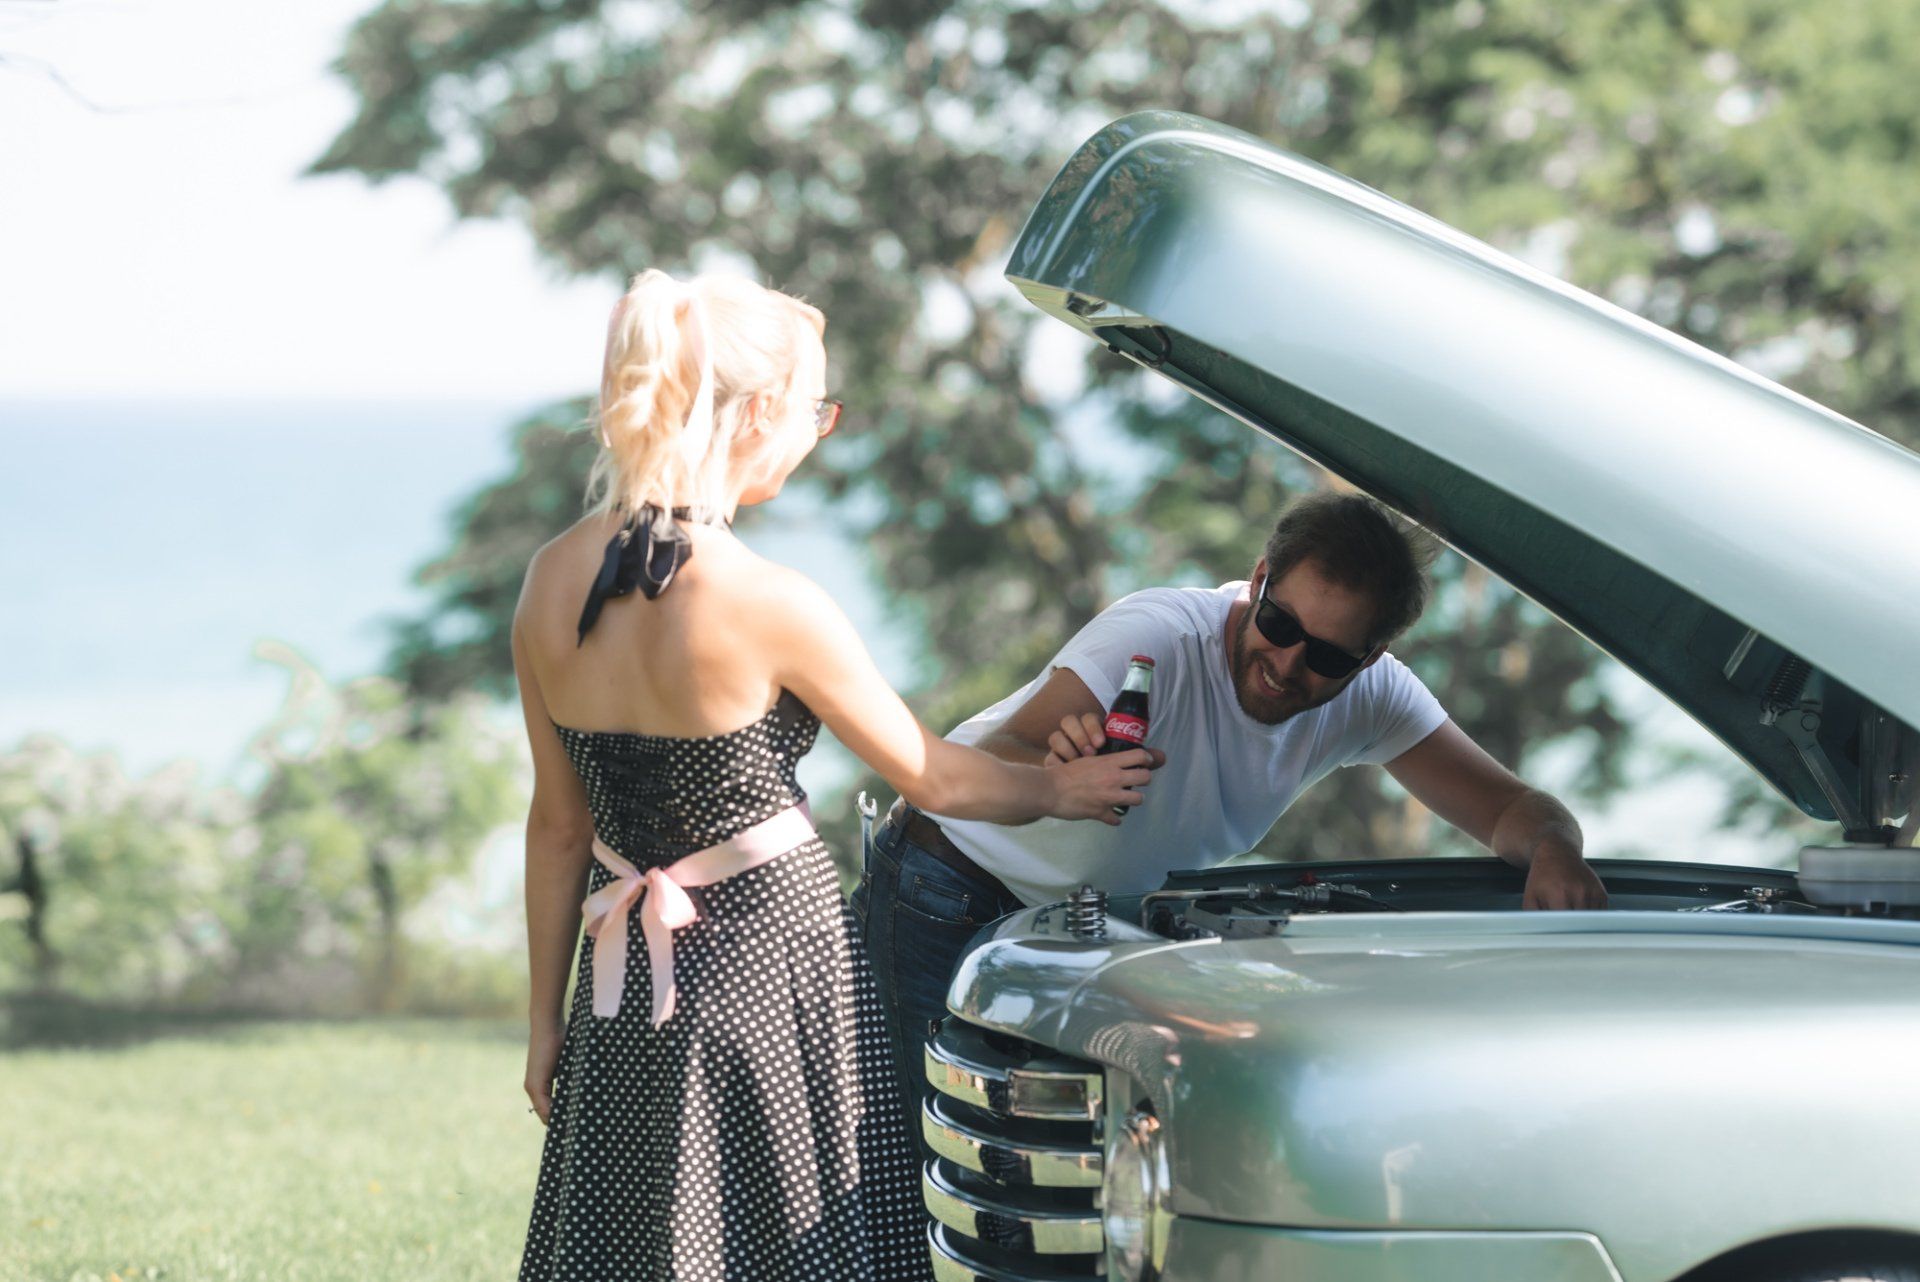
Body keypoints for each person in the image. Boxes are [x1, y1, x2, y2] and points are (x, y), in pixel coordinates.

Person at [511, 269, 1152, 1281]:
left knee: (639, 1239)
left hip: (619, 984)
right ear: (761, 411)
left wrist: (545, 1021)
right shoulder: (770, 600)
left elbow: (556, 827)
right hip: (778, 964)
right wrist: (1060, 792)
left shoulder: (550, 578)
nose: (820, 429)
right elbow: (933, 776)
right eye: (816, 408)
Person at [855, 490, 1609, 1134]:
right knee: (918, 1167)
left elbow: (1515, 808)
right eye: (1279, 626)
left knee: (1059, 1184)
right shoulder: (1156, 639)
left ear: (1371, 658)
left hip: (1077, 927)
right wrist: (1058, 770)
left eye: (1327, 657)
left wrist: (1554, 851)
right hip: (943, 886)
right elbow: (1003, 747)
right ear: (1258, 581)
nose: (1287, 665)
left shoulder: (1375, 698)